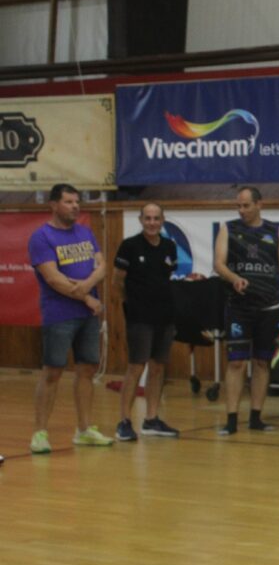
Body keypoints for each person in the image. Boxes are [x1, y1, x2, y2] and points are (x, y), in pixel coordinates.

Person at [28, 183, 113, 453]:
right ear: (53, 205)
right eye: (68, 202)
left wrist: (85, 285)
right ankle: (40, 433)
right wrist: (87, 297)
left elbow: (102, 266)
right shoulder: (42, 237)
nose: (75, 206)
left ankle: (84, 429)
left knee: (87, 369)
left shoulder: (85, 232)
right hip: (59, 315)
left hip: (87, 316)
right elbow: (54, 279)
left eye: (77, 202)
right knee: (52, 372)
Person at [213, 186, 279, 435]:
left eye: (246, 205)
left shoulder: (276, 232)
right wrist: (234, 278)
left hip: (269, 307)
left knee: (261, 362)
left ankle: (256, 417)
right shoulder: (228, 229)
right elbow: (218, 264)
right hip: (239, 307)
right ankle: (231, 419)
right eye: (238, 205)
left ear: (259, 204)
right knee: (236, 363)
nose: (241, 210)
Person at [113, 202, 181, 441]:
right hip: (139, 317)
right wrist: (132, 304)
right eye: (148, 218)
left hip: (165, 316)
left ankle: (151, 419)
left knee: (158, 366)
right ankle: (124, 421)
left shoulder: (170, 246)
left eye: (156, 218)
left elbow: (166, 277)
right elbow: (118, 281)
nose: (152, 223)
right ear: (141, 220)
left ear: (162, 220)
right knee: (136, 367)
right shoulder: (129, 246)